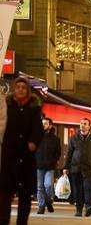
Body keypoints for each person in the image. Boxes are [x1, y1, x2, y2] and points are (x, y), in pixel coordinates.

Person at [0, 77, 44, 225]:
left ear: (28, 91)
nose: (20, 90)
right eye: (17, 87)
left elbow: (38, 129)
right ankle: (3, 219)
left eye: (23, 87)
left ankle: (21, 221)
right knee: (5, 190)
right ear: (14, 89)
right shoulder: (7, 106)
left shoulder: (34, 108)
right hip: (9, 155)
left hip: (26, 156)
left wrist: (33, 142)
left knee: (25, 194)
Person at [63, 118, 91, 217]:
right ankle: (78, 209)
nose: (82, 125)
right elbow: (69, 153)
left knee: (88, 188)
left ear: (89, 126)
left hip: (89, 168)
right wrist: (65, 167)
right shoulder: (74, 137)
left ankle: (88, 206)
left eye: (85, 124)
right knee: (77, 190)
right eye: (81, 123)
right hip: (75, 168)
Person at [36, 117, 61, 214]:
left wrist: (53, 161)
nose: (43, 125)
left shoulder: (55, 139)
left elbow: (58, 153)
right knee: (40, 187)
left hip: (50, 167)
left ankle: (48, 200)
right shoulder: (37, 137)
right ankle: (41, 206)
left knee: (48, 185)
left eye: (45, 123)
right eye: (42, 123)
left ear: (50, 126)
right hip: (38, 166)